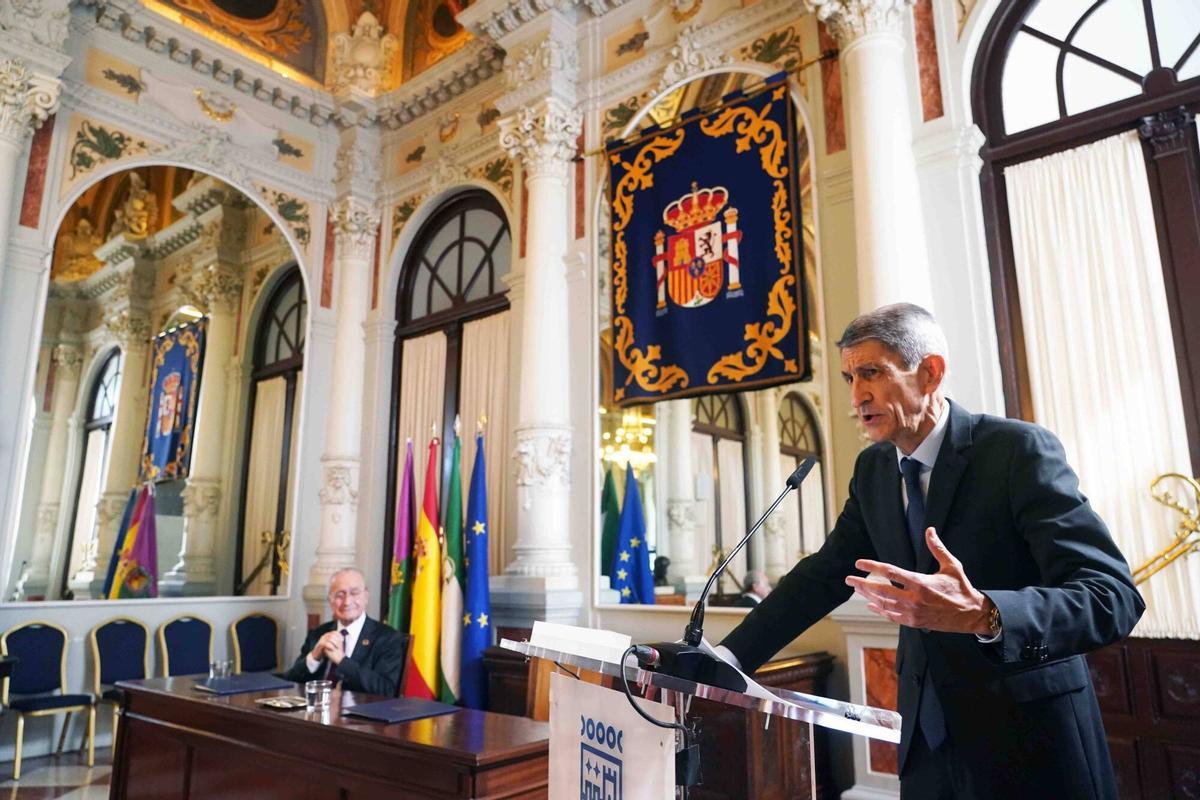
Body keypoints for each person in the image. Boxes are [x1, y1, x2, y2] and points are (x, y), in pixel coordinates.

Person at [718, 303, 1143, 800]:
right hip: (926, 743)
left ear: (930, 372)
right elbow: (825, 575)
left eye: (872, 373)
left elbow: (1112, 596)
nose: (857, 396)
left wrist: (987, 612)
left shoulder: (1016, 451)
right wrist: (727, 656)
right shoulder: (874, 470)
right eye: (849, 378)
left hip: (1031, 741)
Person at [284, 568, 405, 697]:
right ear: (331, 600)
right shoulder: (319, 633)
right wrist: (314, 656)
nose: (347, 602)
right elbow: (291, 681)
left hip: (361, 713)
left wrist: (342, 661)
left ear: (365, 597)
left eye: (354, 593)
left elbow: (386, 690)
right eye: (340, 595)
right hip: (316, 710)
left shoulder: (388, 638)